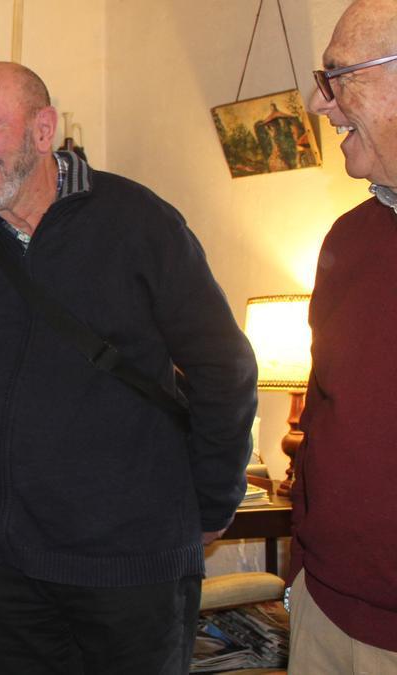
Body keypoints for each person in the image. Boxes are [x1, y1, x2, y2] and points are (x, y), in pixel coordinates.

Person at [0, 62, 257, 674]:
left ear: (43, 129)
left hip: (131, 565)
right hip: (6, 570)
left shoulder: (138, 222)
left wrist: (210, 504)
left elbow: (223, 367)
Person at [288, 1, 397, 671]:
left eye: (339, 76)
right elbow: (326, 412)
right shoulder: (349, 240)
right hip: (326, 610)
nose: (317, 102)